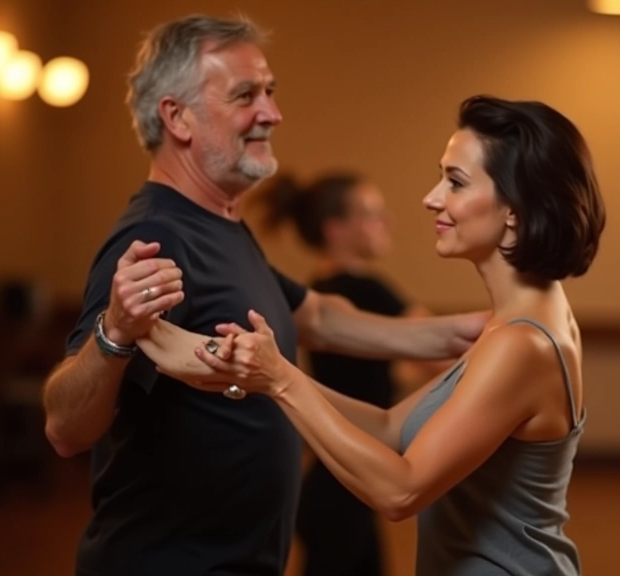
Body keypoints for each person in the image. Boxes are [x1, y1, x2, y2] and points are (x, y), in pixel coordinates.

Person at [41, 14, 486, 576]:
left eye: (270, 92)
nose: (272, 113)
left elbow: (319, 317)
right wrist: (114, 333)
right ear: (177, 117)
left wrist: (476, 328)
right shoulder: (158, 235)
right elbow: (64, 428)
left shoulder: (223, 226)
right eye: (245, 95)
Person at [143, 94, 607, 576]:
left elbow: (399, 491)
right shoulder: (513, 325)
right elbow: (388, 428)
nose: (432, 198)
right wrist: (262, 376)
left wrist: (280, 379)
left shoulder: (522, 344)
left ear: (515, 208)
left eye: (455, 182)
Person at [259, 171, 447, 575]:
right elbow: (442, 356)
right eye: (371, 213)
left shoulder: (321, 288)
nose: (387, 221)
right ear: (336, 229)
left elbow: (367, 378)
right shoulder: (364, 291)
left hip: (339, 475)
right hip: (344, 483)